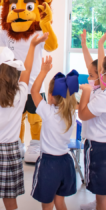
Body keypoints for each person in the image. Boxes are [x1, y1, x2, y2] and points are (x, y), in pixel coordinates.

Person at [0, 33, 48, 210]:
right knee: (11, 202)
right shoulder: (21, 94)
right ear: (16, 78)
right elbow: (27, 71)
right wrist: (33, 46)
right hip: (12, 153)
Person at [30, 56, 77, 210]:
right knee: (60, 202)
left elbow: (34, 91)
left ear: (50, 96)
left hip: (49, 165)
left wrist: (43, 71)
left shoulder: (48, 111)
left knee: (47, 204)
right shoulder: (71, 113)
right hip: (66, 163)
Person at [78, 33, 106, 210]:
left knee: (99, 182)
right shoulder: (101, 89)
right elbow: (96, 65)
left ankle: (100, 205)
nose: (89, 77)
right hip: (100, 143)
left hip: (98, 145)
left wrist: (86, 92)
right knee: (101, 182)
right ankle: (98, 202)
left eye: (92, 75)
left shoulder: (101, 95)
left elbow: (83, 115)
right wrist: (94, 44)